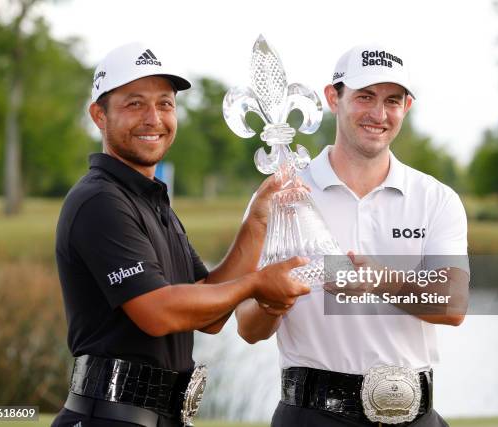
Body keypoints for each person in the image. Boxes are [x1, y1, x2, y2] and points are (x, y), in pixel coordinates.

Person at [51, 42, 310, 427]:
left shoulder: (151, 200)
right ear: (99, 116)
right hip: (109, 416)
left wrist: (256, 222)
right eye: (134, 103)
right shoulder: (100, 200)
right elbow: (158, 312)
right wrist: (256, 284)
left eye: (165, 103)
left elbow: (209, 311)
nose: (153, 118)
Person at [236, 43, 470, 426]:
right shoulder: (281, 195)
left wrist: (378, 280)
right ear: (333, 98)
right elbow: (247, 328)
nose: (379, 114)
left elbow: (453, 303)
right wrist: (272, 300)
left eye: (392, 101)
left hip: (412, 414)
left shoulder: (436, 199)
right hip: (311, 415)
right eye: (365, 97)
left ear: (406, 108)